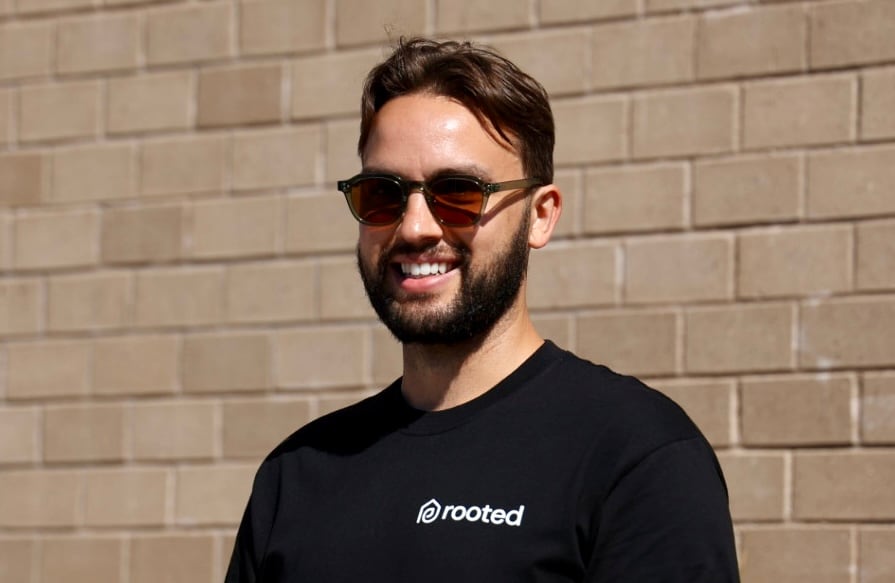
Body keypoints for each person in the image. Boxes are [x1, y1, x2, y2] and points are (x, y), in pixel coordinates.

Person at [225, 37, 739, 582]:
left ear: (540, 216)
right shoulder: (298, 474)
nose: (416, 226)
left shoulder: (634, 456)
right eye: (383, 193)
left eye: (459, 192)